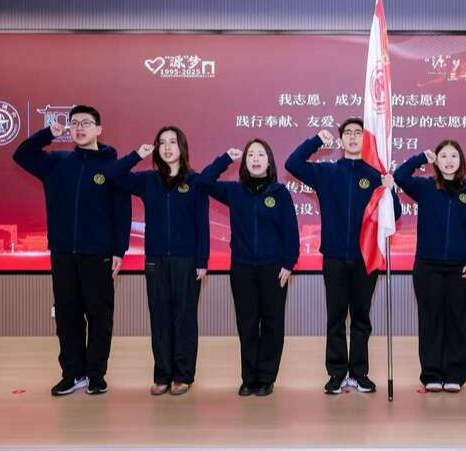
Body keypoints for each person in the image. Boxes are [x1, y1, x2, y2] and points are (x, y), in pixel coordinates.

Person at [12, 105, 131, 396]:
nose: (80, 127)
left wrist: (119, 250)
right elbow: (21, 155)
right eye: (74, 123)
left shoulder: (112, 167)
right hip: (63, 251)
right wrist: (47, 134)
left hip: (98, 253)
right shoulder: (57, 162)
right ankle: (73, 374)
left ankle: (96, 376)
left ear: (98, 129)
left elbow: (122, 212)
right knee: (67, 316)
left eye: (86, 123)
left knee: (99, 316)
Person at [285, 117, 401, 394]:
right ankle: (337, 373)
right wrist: (316, 141)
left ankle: (359, 373)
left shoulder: (375, 175)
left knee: (361, 318)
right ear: (340, 140)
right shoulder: (327, 172)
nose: (352, 137)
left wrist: (391, 190)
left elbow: (393, 215)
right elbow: (292, 164)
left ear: (365, 139)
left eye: (358, 133)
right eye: (347, 133)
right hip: (334, 256)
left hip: (366, 258)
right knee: (336, 317)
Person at [104, 126, 209, 396]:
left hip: (187, 260)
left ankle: (183, 375)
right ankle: (162, 374)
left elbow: (202, 224)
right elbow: (112, 175)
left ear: (182, 147)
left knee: (184, 319)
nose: (167, 147)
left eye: (172, 142)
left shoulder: (195, 181)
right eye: (162, 143)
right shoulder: (148, 181)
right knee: (160, 318)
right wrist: (136, 155)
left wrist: (202, 260)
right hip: (155, 260)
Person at [202, 139, 299, 397]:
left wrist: (288, 263)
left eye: (261, 155)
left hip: (273, 268)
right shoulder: (235, 192)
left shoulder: (280, 193)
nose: (256, 159)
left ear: (269, 161)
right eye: (251, 155)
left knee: (272, 324)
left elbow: (291, 231)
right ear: (244, 162)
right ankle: (249, 378)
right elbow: (204, 182)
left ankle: (266, 378)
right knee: (246, 324)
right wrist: (225, 159)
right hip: (242, 267)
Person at [394, 140, 466, 393]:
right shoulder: (425, 187)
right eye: (443, 156)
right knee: (430, 320)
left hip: (460, 268)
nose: (448, 161)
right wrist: (420, 158)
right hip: (427, 266)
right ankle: (432, 373)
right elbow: (400, 176)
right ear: (436, 161)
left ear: (461, 160)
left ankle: (455, 374)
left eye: (454, 156)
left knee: (458, 321)